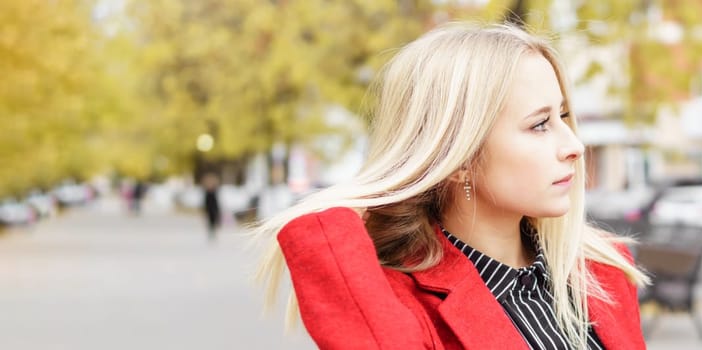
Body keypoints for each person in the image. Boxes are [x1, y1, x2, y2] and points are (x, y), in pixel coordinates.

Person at [252, 22, 649, 350]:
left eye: (563, 115)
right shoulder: (402, 305)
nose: (574, 146)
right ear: (458, 159)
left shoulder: (602, 273)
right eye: (539, 124)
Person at [202, 173, 221, 240]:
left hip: (214, 209)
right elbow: (205, 202)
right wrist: (205, 210)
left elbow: (216, 201)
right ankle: (211, 233)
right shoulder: (207, 192)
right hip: (209, 209)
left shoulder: (214, 191)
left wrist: (218, 209)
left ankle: (214, 232)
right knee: (210, 222)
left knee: (214, 221)